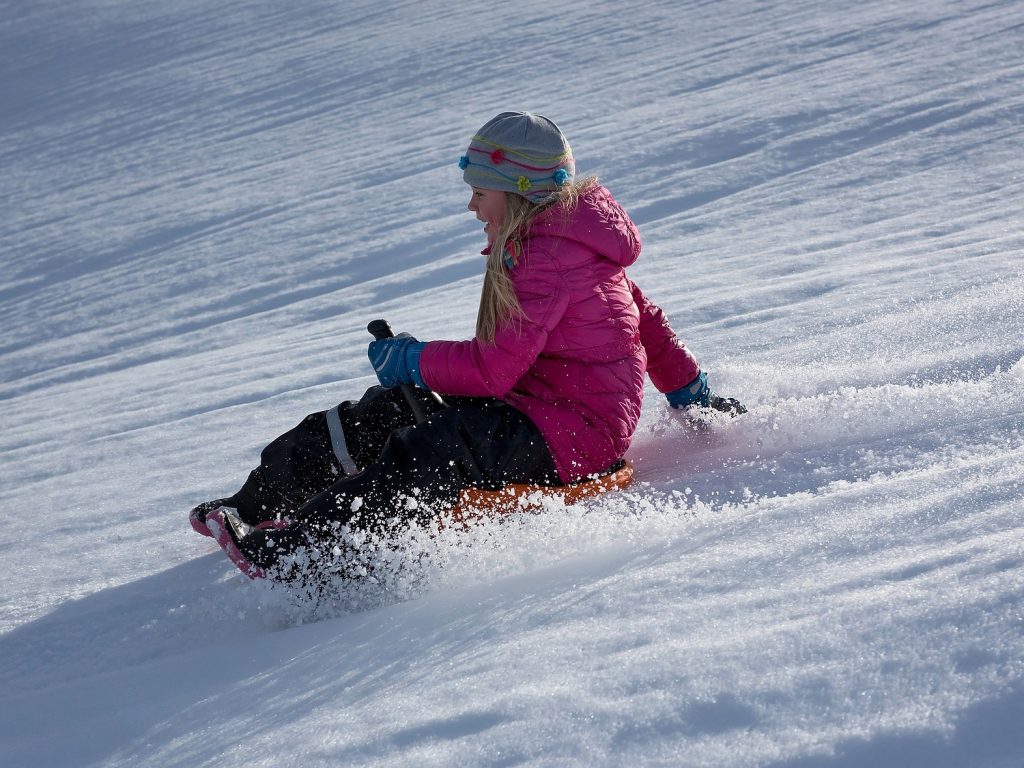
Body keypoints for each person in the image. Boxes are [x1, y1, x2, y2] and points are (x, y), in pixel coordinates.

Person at [190, 111, 745, 583]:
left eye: (481, 193)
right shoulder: (568, 245)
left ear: (520, 194)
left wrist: (411, 359)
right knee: (384, 413)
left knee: (433, 447)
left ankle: (305, 555)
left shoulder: (546, 260)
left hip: (572, 435)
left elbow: (491, 371)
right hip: (538, 409)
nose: (473, 208)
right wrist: (689, 392)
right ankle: (254, 507)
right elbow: (648, 323)